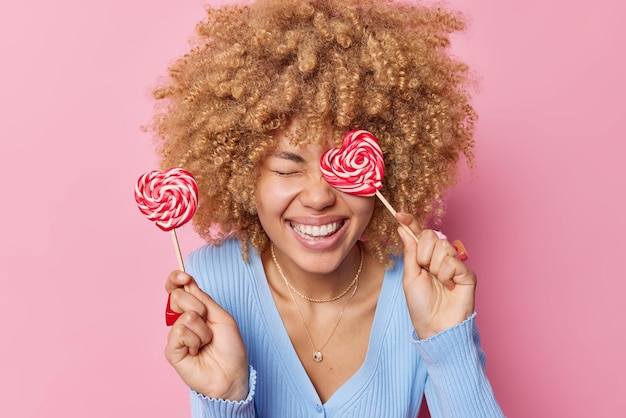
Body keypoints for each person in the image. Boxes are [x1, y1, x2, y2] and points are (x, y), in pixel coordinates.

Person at [150, 0, 505, 416]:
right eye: (287, 169)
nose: (319, 197)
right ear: (246, 175)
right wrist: (226, 396)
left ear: (383, 168)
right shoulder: (211, 285)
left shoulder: (422, 288)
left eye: (342, 166)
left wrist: (447, 340)